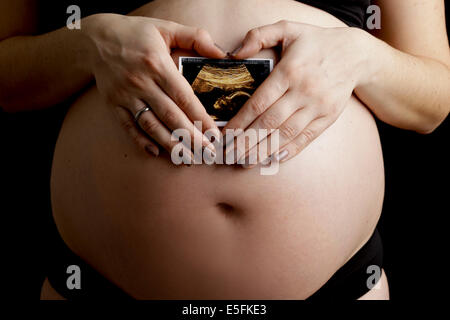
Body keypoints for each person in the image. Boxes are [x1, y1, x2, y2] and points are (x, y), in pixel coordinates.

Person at [1, 0, 448, 300]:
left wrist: (362, 55)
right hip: (100, 280)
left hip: (340, 284)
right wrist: (87, 42)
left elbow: (435, 97)